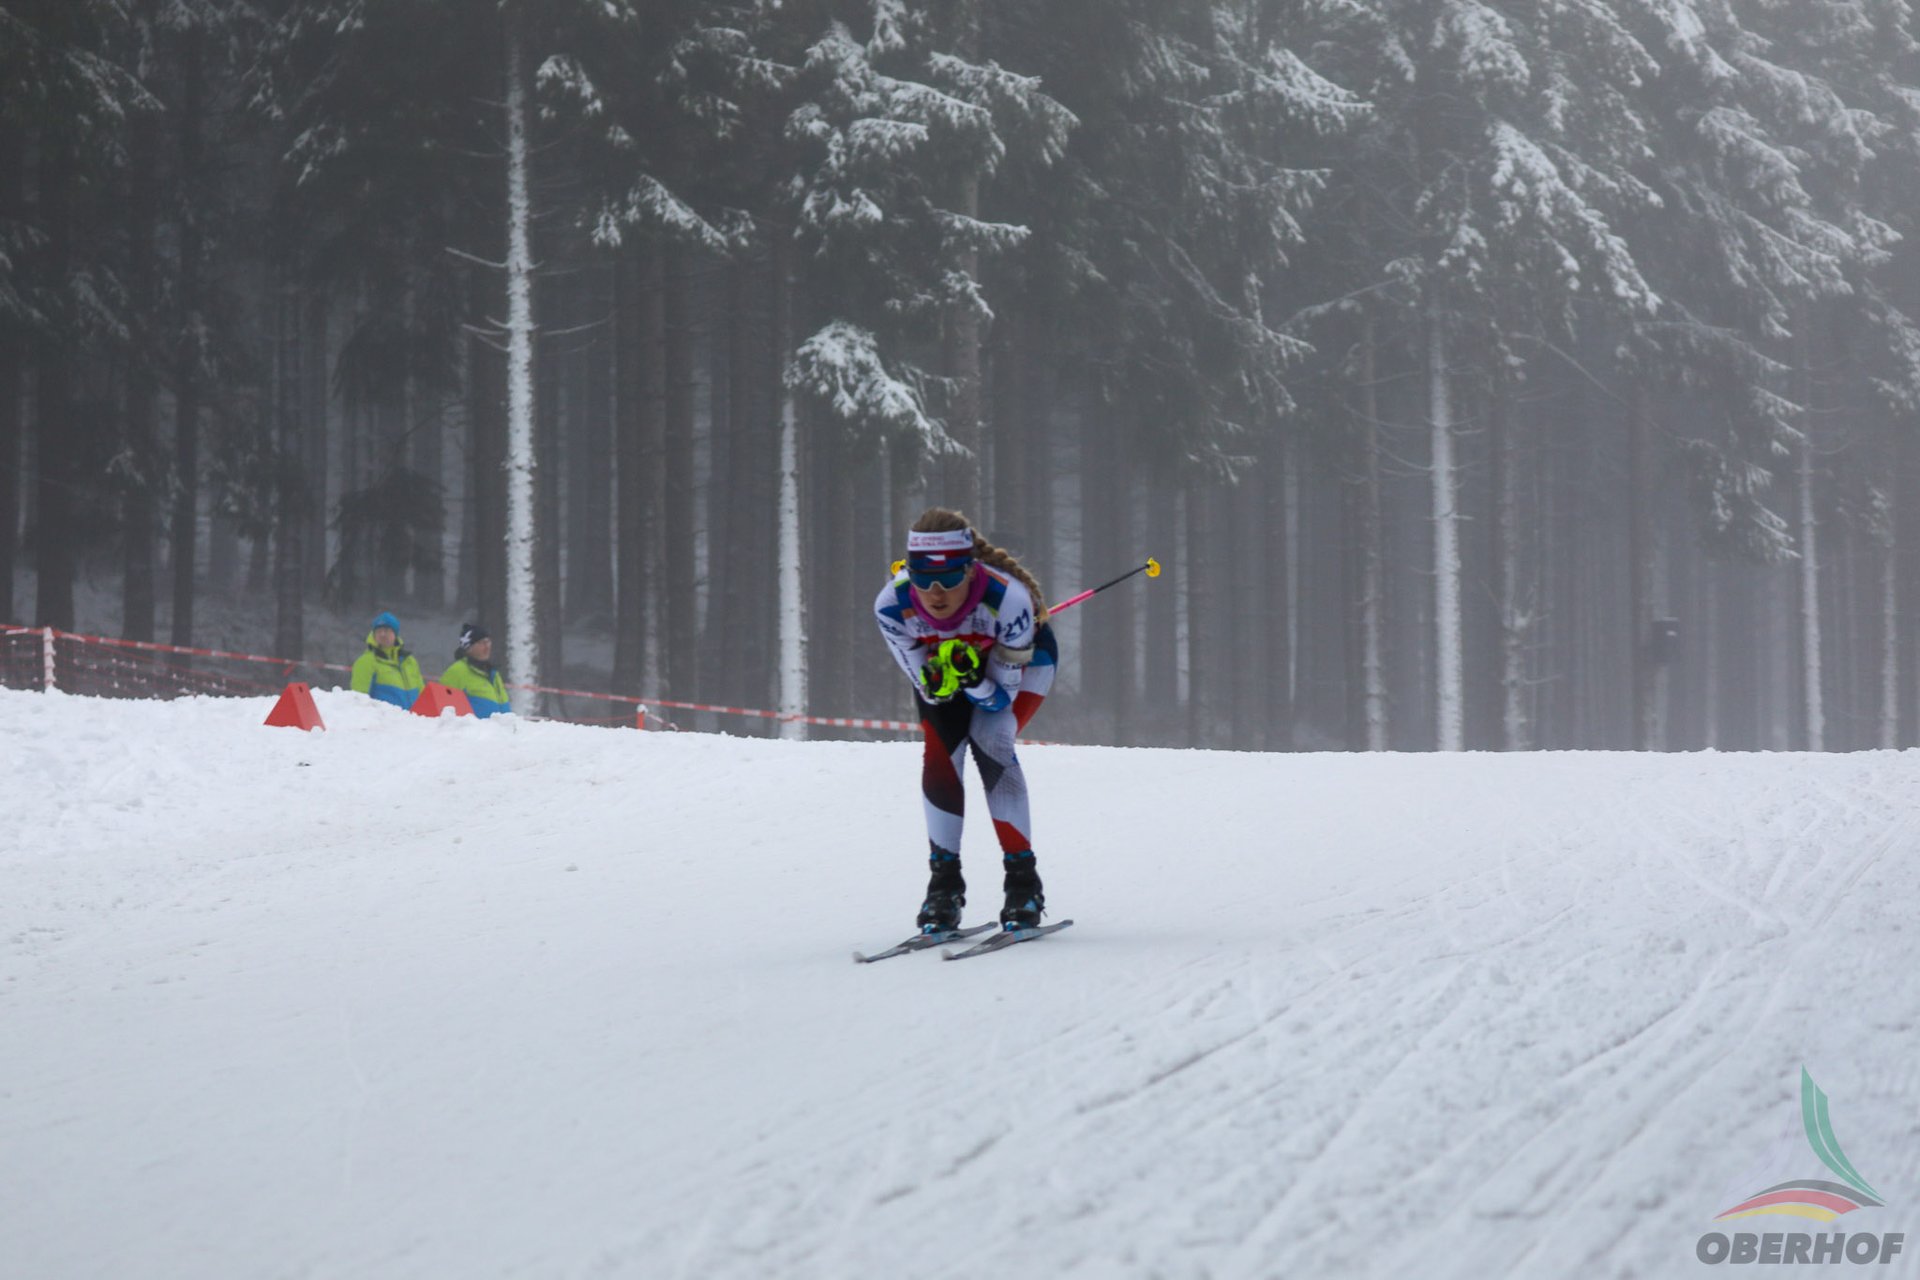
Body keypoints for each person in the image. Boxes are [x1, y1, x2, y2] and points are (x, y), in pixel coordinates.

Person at [873, 507, 1060, 935]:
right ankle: (944, 887)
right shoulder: (892, 606)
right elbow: (929, 690)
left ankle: (1023, 884)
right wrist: (944, 679)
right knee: (940, 752)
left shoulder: (1008, 600)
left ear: (971, 570)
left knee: (991, 740)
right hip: (957, 668)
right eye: (923, 578)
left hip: (1024, 666)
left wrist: (974, 678)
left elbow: (998, 700)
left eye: (949, 578)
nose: (935, 593)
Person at [349, 611, 425, 710]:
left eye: (387, 630)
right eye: (378, 631)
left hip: (411, 718)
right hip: (383, 718)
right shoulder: (366, 661)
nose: (382, 634)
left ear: (395, 634)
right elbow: (359, 698)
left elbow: (422, 694)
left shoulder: (410, 662)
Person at [439, 624, 512, 718]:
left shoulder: (493, 673)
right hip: (473, 727)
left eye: (488, 641)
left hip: (501, 727)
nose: (487, 646)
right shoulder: (457, 671)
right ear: (469, 648)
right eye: (482, 643)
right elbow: (442, 708)